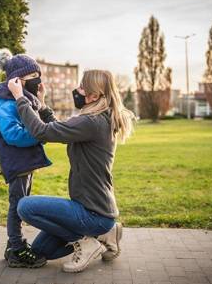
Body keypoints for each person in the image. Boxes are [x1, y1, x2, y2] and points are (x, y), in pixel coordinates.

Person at [7, 69, 135, 273]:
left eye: (82, 87)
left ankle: (87, 242)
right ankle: (105, 233)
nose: (77, 90)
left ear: (94, 95)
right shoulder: (97, 119)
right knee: (42, 251)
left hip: (92, 213)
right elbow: (59, 128)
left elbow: (41, 131)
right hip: (91, 209)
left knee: (25, 207)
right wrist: (41, 104)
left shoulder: (91, 122)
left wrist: (19, 97)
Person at [0, 48, 56, 268]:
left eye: (38, 76)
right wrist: (39, 136)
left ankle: (13, 246)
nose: (37, 81)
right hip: (17, 163)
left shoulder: (25, 101)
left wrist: (42, 101)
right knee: (17, 206)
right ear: (17, 81)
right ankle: (16, 249)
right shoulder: (7, 104)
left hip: (24, 163)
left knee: (19, 203)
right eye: (32, 78)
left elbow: (42, 123)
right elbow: (13, 135)